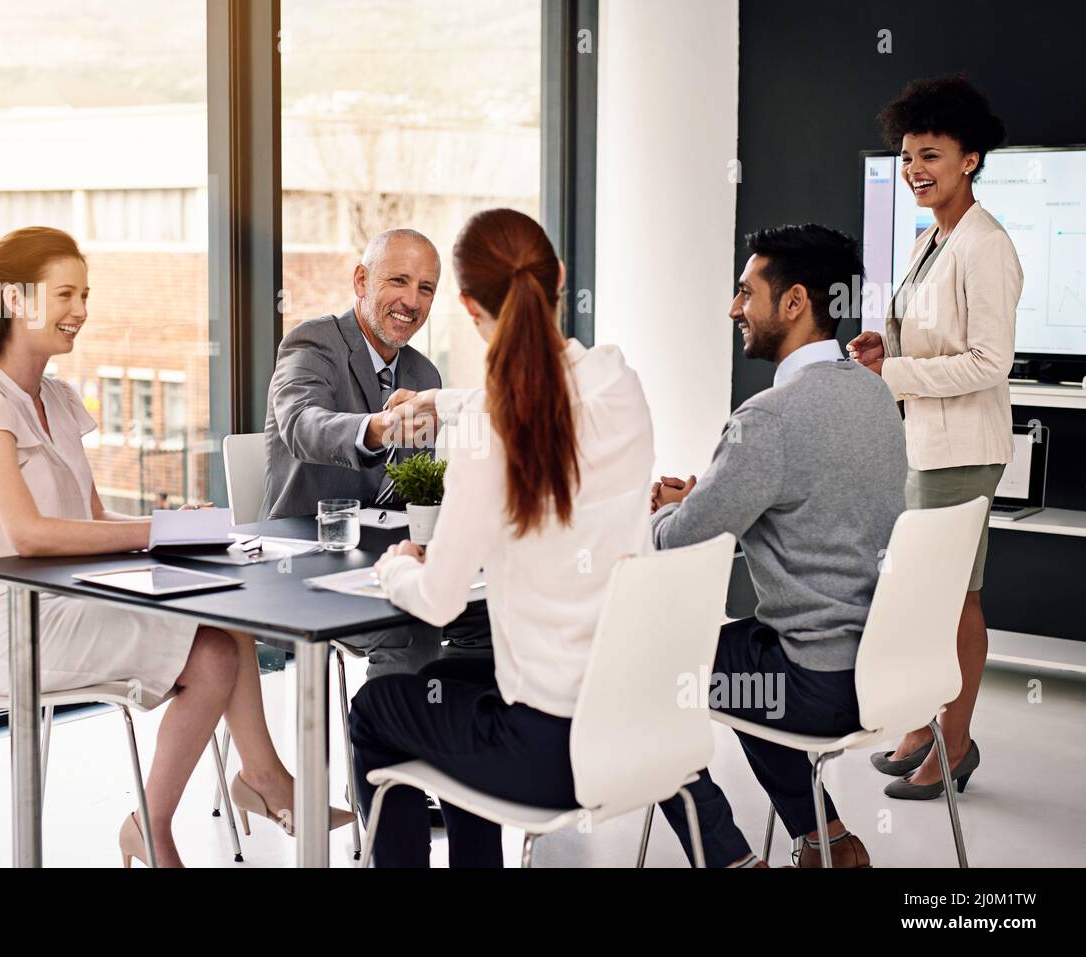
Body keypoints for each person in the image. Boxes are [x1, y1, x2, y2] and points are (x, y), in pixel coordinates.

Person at [0, 227, 349, 868]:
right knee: (212, 651)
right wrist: (155, 533)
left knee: (225, 623)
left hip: (67, 601)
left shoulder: (58, 399)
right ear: (15, 301)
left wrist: (171, 524)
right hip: (14, 624)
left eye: (85, 294)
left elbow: (90, 517)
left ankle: (253, 784)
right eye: (65, 294)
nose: (81, 311)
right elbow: (30, 534)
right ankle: (189, 813)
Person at [348, 208, 655, 867]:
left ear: (464, 303)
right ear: (561, 279)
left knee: (377, 706)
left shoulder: (492, 428)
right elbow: (541, 395)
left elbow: (437, 600)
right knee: (448, 685)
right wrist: (443, 404)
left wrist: (395, 566)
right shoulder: (620, 383)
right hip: (637, 729)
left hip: (548, 756)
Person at [651, 224, 907, 867]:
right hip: (884, 670)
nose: (735, 309)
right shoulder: (873, 392)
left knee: (647, 676)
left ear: (793, 302)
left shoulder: (768, 417)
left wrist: (665, 512)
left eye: (746, 293)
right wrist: (710, 495)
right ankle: (829, 842)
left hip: (816, 685)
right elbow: (809, 503)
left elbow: (679, 542)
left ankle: (732, 861)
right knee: (739, 652)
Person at [848, 74, 1021, 800]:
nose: (916, 169)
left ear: (970, 159)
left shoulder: (987, 246)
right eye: (909, 157)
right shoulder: (931, 238)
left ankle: (955, 741)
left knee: (958, 599)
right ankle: (921, 724)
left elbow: (989, 362)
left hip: (964, 450)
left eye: (932, 156)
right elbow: (915, 333)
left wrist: (900, 372)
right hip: (925, 443)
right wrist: (880, 346)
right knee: (925, 593)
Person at [261, 227, 490, 677]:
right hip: (307, 562)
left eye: (425, 288)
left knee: (494, 613)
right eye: (398, 281)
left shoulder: (424, 372)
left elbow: (416, 488)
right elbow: (301, 424)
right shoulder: (313, 344)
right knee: (410, 625)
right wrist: (378, 428)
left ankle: (449, 730)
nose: (412, 301)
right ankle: (386, 741)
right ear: (362, 281)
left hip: (390, 557)